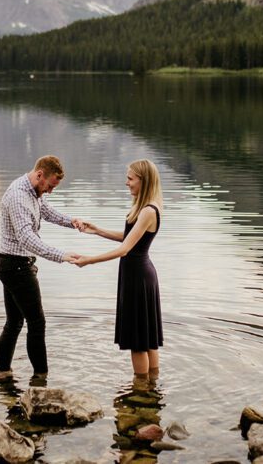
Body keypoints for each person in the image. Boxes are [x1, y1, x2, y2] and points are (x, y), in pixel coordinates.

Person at [0, 155, 84, 382]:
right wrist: (61, 255)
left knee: (14, 322)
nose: (50, 191)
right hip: (15, 266)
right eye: (50, 186)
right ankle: (40, 378)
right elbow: (26, 238)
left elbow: (45, 210)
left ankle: (3, 373)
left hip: (12, 263)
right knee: (37, 322)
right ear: (40, 175)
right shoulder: (18, 197)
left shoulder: (33, 191)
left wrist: (71, 221)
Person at [74, 159, 163, 376]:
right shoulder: (146, 208)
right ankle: (151, 388)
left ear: (144, 181)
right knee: (147, 339)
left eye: (130, 178)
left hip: (138, 277)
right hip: (139, 275)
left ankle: (140, 392)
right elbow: (130, 239)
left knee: (138, 341)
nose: (127, 183)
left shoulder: (148, 211)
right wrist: (97, 230)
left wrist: (89, 260)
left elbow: (125, 249)